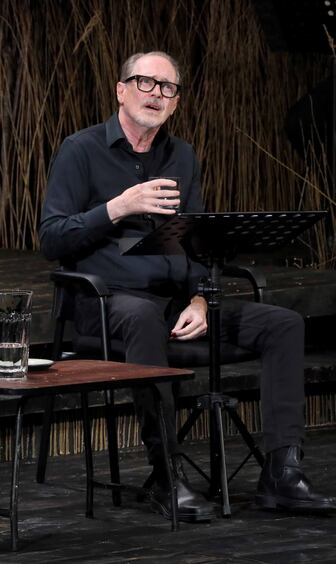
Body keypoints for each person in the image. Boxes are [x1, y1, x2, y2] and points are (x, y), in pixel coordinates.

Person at [39, 51, 336, 523]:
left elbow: (194, 242)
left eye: (168, 88)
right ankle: (165, 473)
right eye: (145, 83)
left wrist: (200, 297)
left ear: (175, 102)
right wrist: (118, 207)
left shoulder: (181, 155)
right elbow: (52, 237)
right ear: (121, 89)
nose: (156, 94)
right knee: (140, 316)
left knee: (282, 323)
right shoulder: (81, 149)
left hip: (176, 304)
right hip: (107, 308)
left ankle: (282, 471)